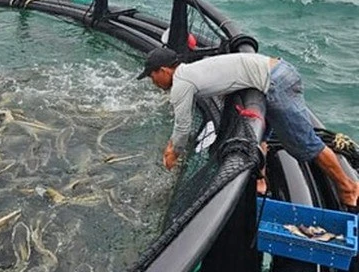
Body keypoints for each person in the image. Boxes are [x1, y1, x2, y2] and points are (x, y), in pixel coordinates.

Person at [137, 47, 359, 209]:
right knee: (261, 138)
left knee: (306, 145)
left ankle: (347, 187)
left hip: (275, 82)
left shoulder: (181, 84)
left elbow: (183, 127)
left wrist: (172, 153)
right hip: (277, 71)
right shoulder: (192, 70)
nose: (152, 82)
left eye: (152, 76)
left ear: (164, 70)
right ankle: (261, 182)